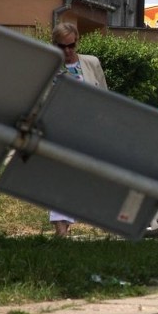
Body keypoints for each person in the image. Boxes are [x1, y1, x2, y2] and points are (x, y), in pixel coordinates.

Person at [49, 22, 108, 237]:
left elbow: (104, 96)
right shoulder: (47, 66)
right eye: (61, 46)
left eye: (71, 45)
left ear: (77, 42)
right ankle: (61, 229)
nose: (67, 51)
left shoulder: (91, 63)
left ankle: (100, 221)